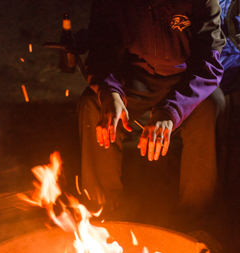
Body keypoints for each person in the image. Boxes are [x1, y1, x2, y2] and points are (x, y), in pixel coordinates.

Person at [78, 0, 226, 225]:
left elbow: (208, 65)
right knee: (93, 105)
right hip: (135, 78)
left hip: (185, 81)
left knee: (211, 103)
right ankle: (103, 212)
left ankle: (193, 217)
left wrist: (171, 110)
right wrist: (110, 93)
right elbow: (101, 49)